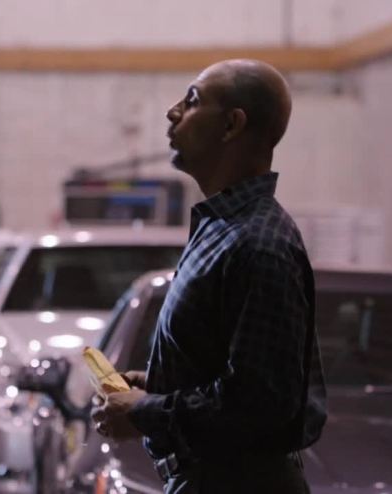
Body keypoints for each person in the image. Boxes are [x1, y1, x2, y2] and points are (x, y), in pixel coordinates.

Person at [90, 59, 327, 494]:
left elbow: (259, 406)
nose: (173, 112)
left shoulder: (258, 244)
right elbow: (229, 368)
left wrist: (145, 413)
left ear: (232, 125)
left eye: (192, 101)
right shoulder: (223, 229)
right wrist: (159, 384)